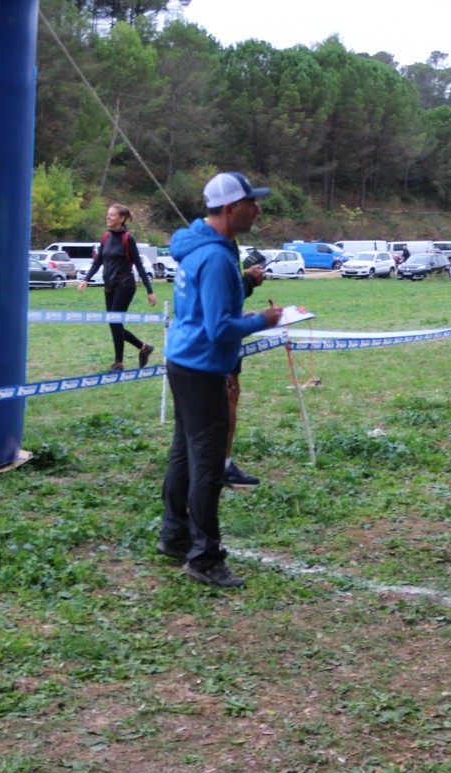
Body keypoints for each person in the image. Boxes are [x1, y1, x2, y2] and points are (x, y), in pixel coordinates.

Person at [159, 172, 283, 589]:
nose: (258, 210)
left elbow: (206, 309)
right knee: (208, 464)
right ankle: (204, 557)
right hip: (202, 368)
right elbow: (217, 328)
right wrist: (261, 320)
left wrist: (243, 298)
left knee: (184, 452)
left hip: (183, 360)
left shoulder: (205, 247)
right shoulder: (214, 257)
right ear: (231, 209)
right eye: (252, 203)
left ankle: (174, 535)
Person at [79, 203, 157, 372]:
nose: (108, 217)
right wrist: (86, 279)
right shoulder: (106, 237)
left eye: (112, 215)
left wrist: (149, 291)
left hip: (125, 284)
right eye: (108, 214)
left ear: (121, 219)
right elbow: (98, 261)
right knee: (114, 323)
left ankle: (119, 363)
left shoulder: (128, 238)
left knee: (115, 322)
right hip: (109, 285)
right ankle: (144, 347)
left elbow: (139, 265)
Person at [223, 255, 267, 489]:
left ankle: (221, 464)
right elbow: (220, 296)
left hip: (227, 338)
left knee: (232, 394)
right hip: (217, 346)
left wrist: (242, 318)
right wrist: (248, 281)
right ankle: (220, 466)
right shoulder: (216, 250)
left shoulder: (224, 246)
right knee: (226, 399)